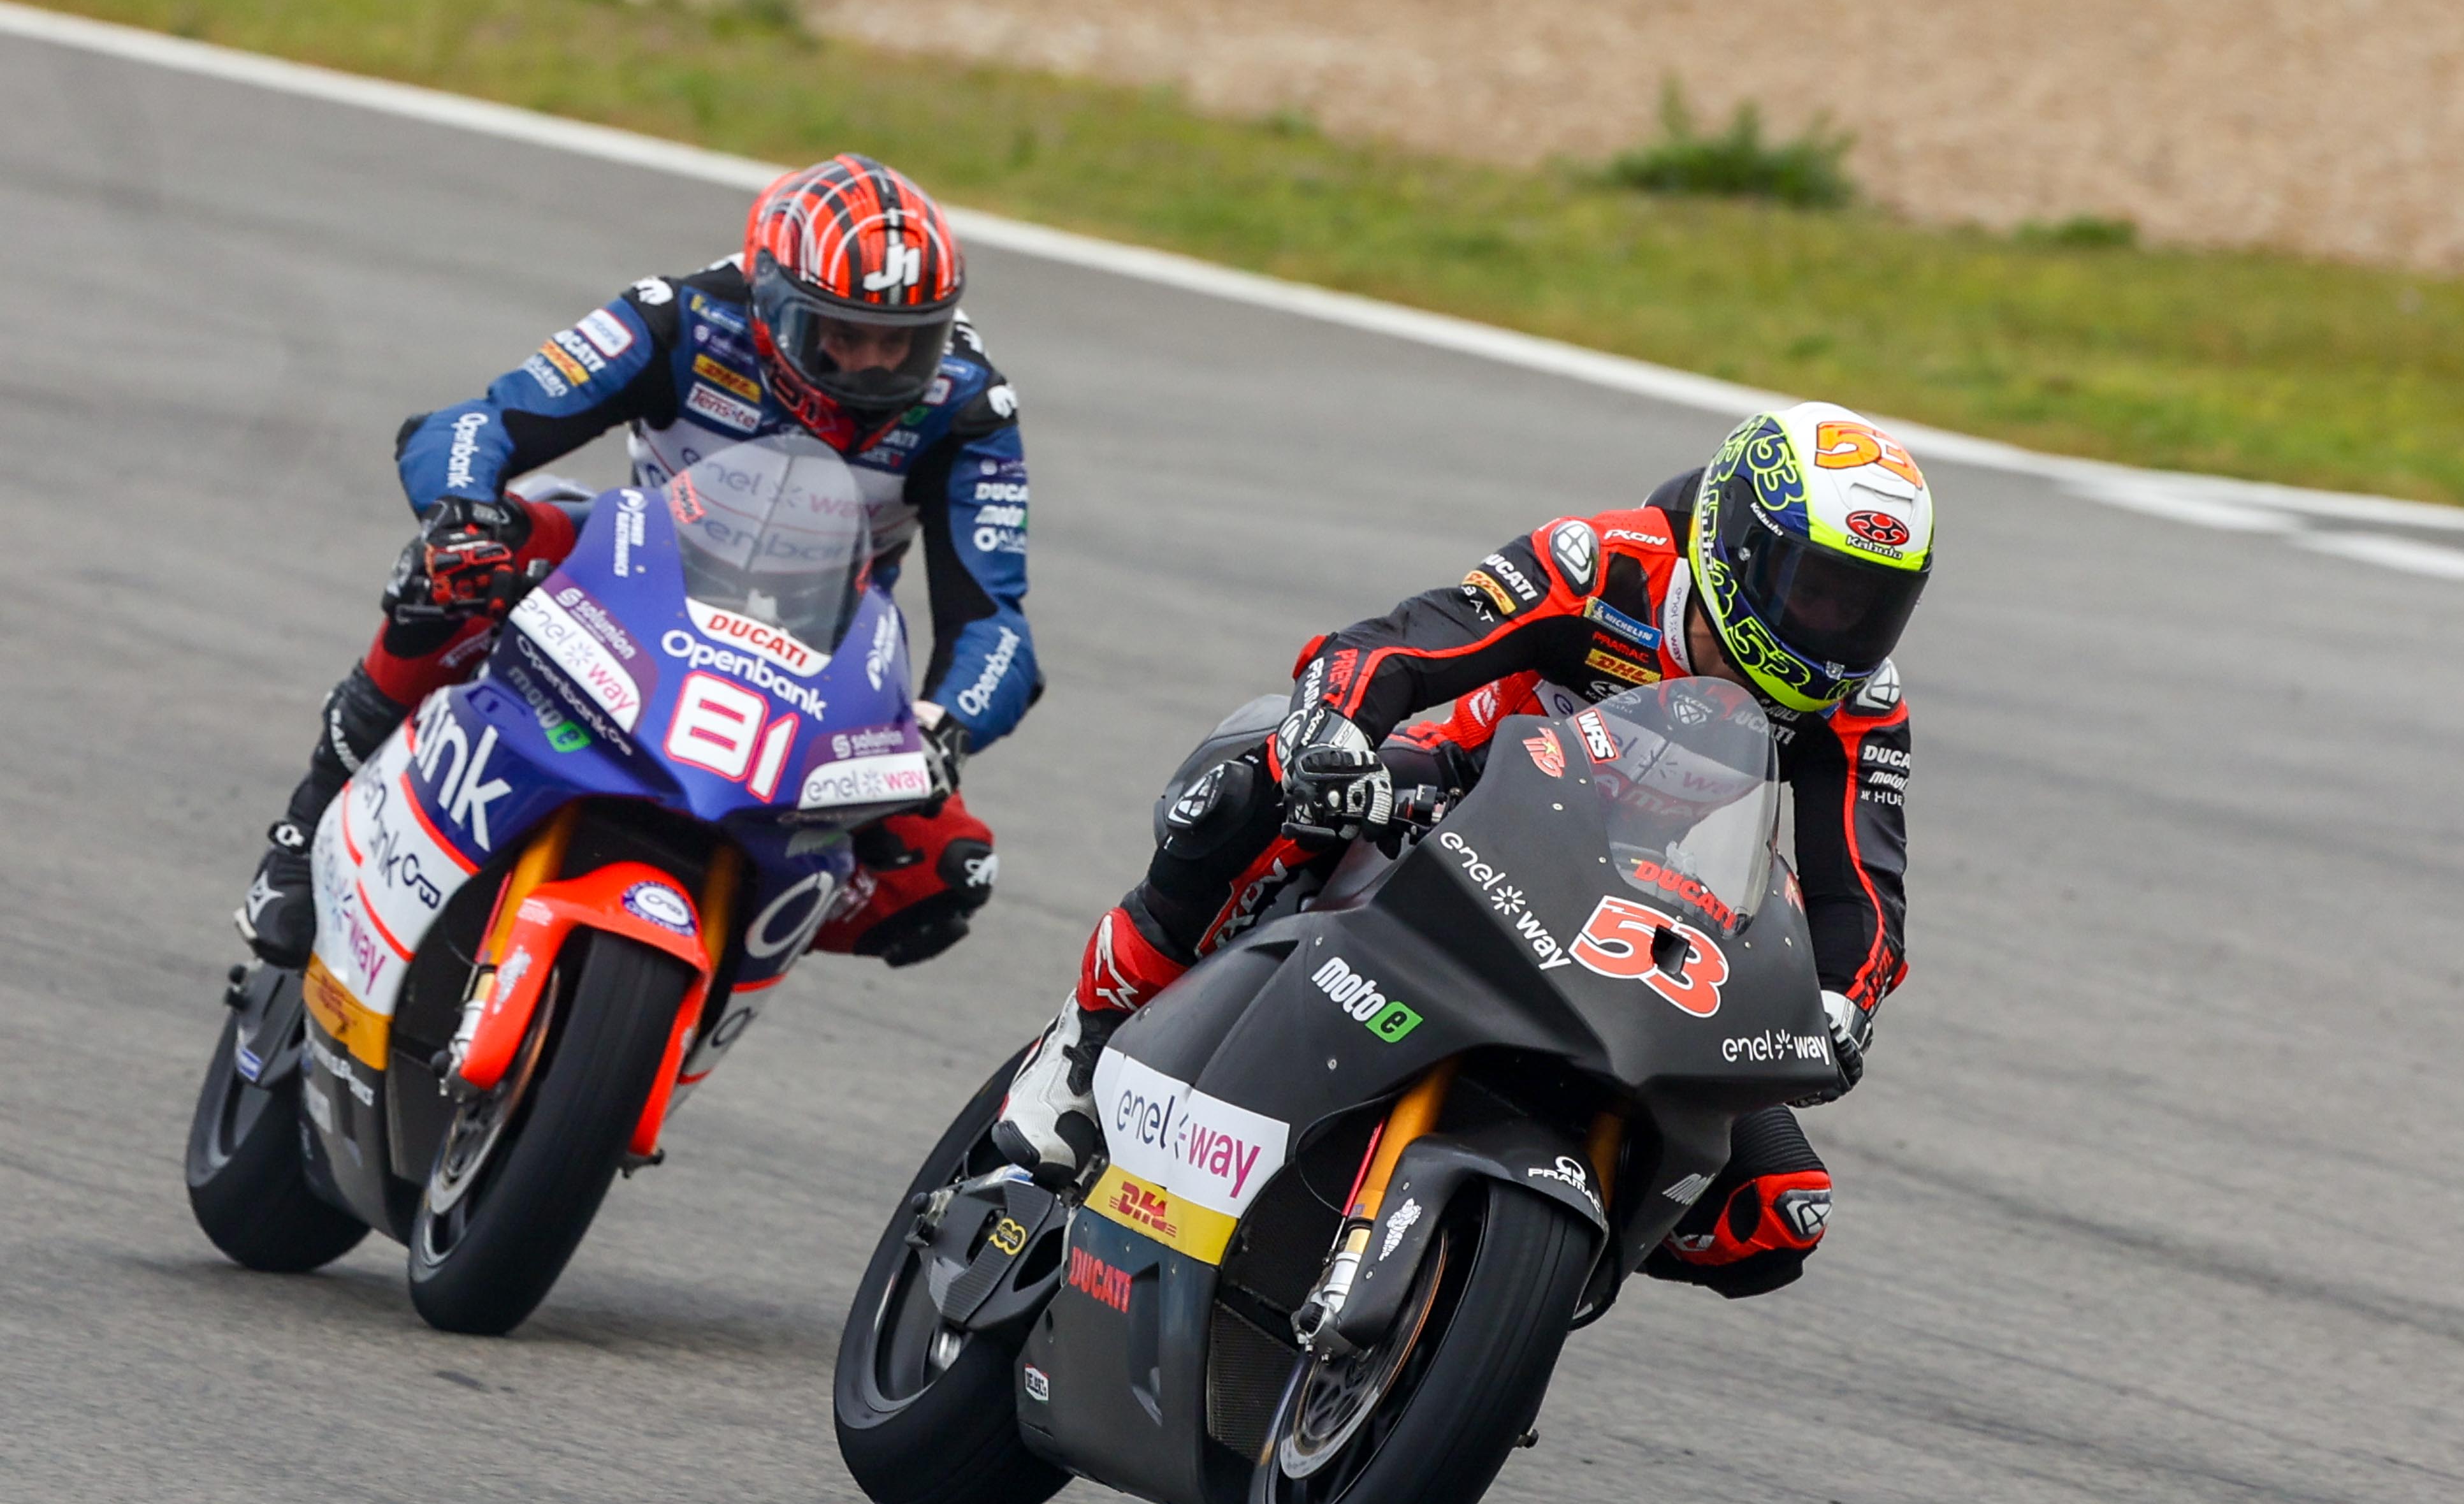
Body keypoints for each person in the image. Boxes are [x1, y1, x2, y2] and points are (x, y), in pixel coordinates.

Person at [997, 401, 1928, 1299]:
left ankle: (1510, 1260)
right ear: (1739, 543)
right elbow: (1407, 642)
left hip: (1651, 921)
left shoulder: (1859, 703)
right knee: (1250, 797)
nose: (1833, 626)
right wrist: (1333, 729)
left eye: (1868, 607)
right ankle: (1088, 1037)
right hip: (1457, 800)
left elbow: (1861, 888)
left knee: (1779, 1208)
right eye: (1815, 587)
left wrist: (1849, 1000)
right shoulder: (1607, 563)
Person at [236, 154, 1038, 972]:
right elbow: (477, 422)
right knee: (457, 572)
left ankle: (699, 959)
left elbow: (997, 625)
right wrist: (459, 513)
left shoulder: (967, 405)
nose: (874, 369)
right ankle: (304, 832)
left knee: (944, 873)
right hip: (636, 585)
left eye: (904, 346)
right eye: (842, 336)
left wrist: (946, 727)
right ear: (771, 306)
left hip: (824, 655)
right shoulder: (680, 316)